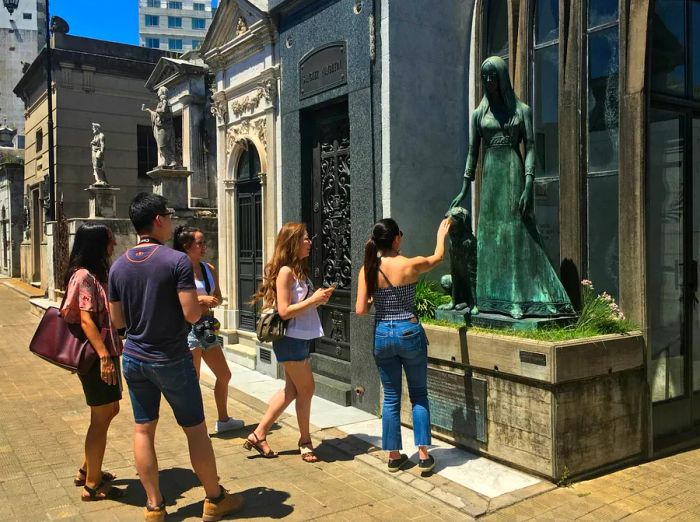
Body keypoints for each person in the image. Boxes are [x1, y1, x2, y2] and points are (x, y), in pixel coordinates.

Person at [108, 193, 243, 521]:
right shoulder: (176, 261)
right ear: (157, 220)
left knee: (143, 429)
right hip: (171, 357)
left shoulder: (119, 266)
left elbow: (117, 322)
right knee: (195, 429)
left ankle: (154, 506)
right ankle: (214, 498)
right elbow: (192, 314)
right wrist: (198, 304)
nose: (170, 221)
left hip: (135, 357)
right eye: (167, 215)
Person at [450, 56, 573, 319]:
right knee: (491, 232)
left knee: (519, 232)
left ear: (503, 77)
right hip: (491, 175)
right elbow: (473, 152)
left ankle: (522, 297)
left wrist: (529, 183)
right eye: (485, 77)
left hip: (514, 172)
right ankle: (490, 297)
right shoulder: (478, 114)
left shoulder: (522, 111)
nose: (488, 81)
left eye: (493, 76)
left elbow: (530, 147)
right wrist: (464, 187)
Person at [356, 218, 451, 473]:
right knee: (419, 393)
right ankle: (423, 455)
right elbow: (437, 257)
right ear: (396, 239)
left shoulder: (367, 270)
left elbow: (361, 309)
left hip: (383, 333)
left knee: (390, 397)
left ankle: (394, 456)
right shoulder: (410, 265)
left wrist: (378, 296)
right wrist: (441, 234)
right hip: (409, 330)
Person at [246, 223, 333, 463]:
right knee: (307, 389)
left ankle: (259, 434)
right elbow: (284, 311)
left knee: (291, 390)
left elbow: (298, 307)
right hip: (290, 339)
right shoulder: (285, 271)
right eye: (305, 238)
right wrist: (313, 299)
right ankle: (305, 440)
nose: (309, 242)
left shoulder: (297, 270)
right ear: (293, 242)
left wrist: (317, 300)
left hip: (299, 337)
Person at [61, 224, 123, 501]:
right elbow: (86, 319)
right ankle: (92, 484)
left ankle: (88, 467)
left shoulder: (96, 274)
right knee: (100, 417)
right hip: (97, 356)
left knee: (111, 409)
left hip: (106, 352)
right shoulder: (83, 276)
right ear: (98, 244)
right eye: (110, 241)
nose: (113, 245)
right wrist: (104, 357)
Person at [173, 225, 244, 434]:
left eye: (204, 242)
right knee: (193, 380)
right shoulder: (177, 269)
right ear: (187, 246)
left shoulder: (208, 269)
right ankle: (195, 425)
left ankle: (223, 419)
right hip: (188, 328)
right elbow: (174, 301)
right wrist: (201, 299)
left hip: (206, 327)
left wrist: (213, 301)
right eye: (200, 243)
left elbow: (219, 295)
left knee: (224, 374)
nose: (204, 246)